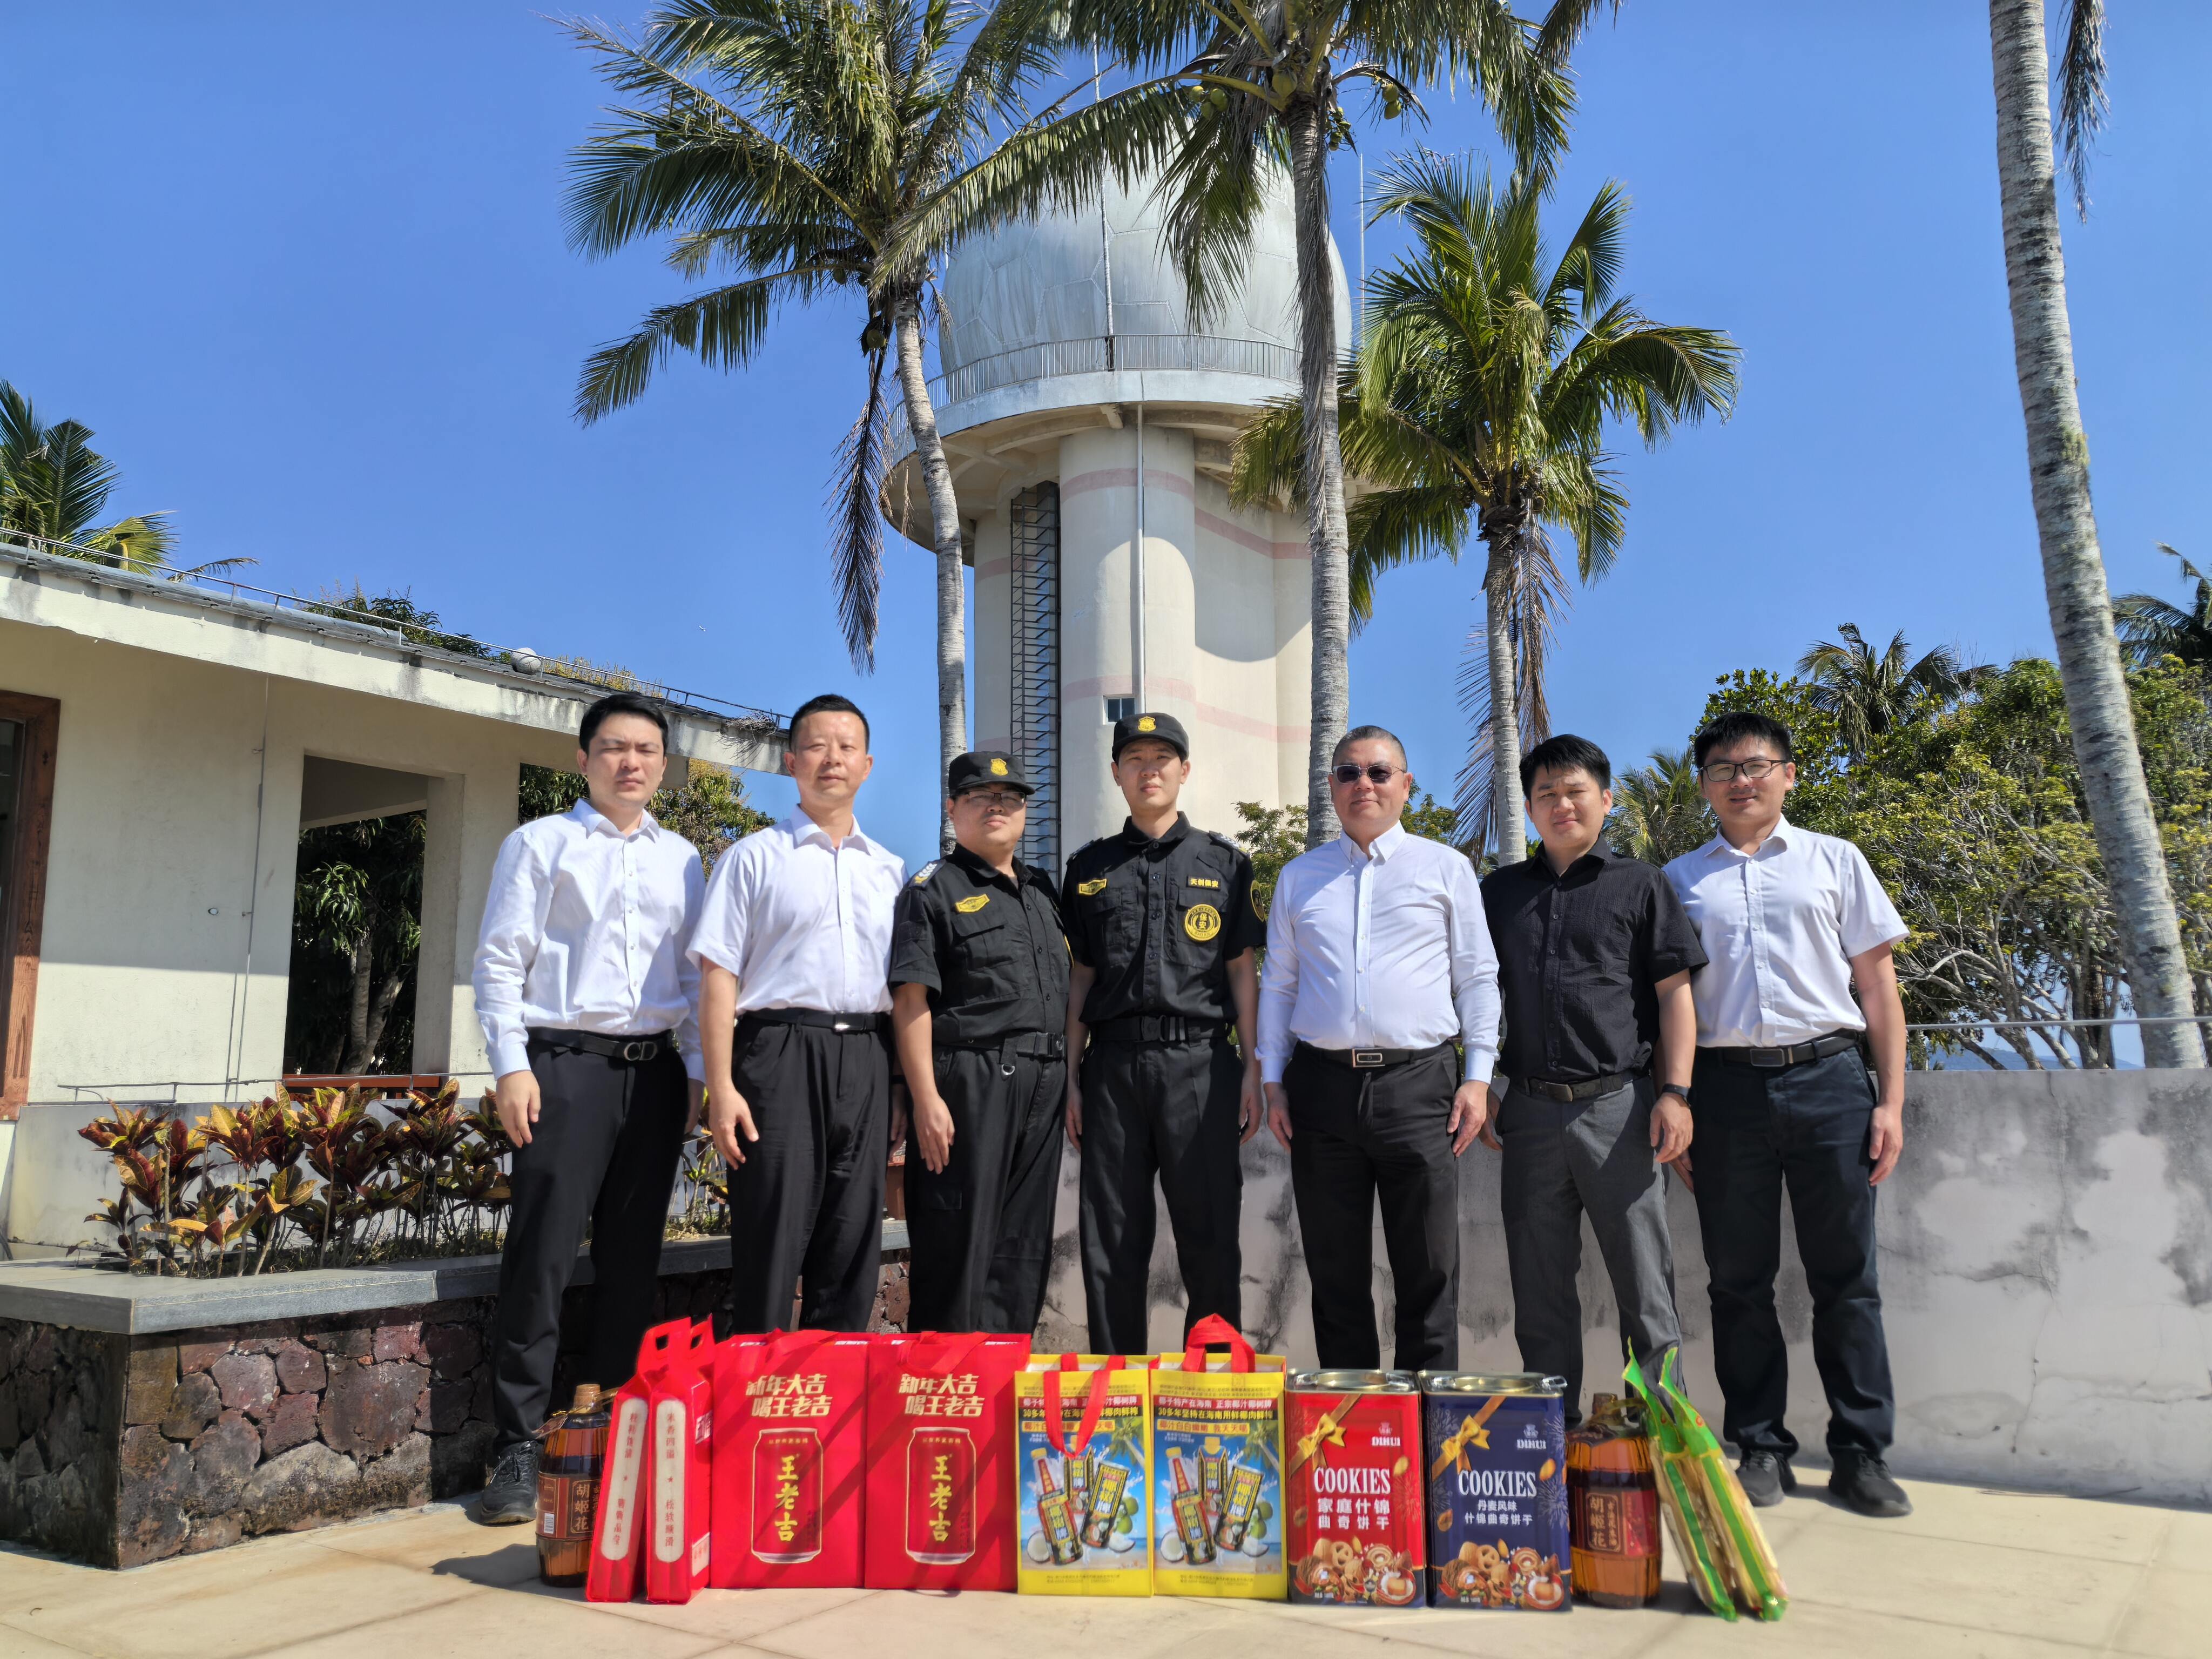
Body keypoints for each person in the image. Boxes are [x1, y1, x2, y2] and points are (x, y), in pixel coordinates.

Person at [1664, 710, 1912, 1519]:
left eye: (1756, 765)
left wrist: (1890, 1102)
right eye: (1723, 769)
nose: (1741, 781)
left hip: (1831, 1082)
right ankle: (1760, 1446)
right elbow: (1667, 1005)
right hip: (1724, 1093)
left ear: (1788, 775)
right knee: (1738, 1283)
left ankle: (1861, 1454)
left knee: (1848, 1278)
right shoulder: (1677, 881)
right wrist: (1680, 1102)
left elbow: (1877, 988)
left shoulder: (1835, 861)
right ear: (1704, 785)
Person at [470, 691, 705, 1522]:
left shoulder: (684, 859)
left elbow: (693, 977)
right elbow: (500, 961)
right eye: (613, 747)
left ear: (663, 766)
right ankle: (517, 1445)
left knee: (632, 1260)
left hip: (655, 1074)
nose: (629, 762)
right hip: (563, 1068)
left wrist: (697, 1075)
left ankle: (606, 1431)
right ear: (583, 759)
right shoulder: (541, 843)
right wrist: (511, 1066)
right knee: (542, 1256)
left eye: (645, 750)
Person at [1257, 726, 1500, 1372]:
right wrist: (1272, 1080)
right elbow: (1278, 985)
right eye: (1348, 773)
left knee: (1429, 1274)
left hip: (1419, 1088)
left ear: (1406, 785)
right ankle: (1354, 1423)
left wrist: (1477, 1078)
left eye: (1378, 772)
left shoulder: (1445, 868)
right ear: (1331, 785)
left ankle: (1426, 1422)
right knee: (1334, 1277)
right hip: (1320, 1090)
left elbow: (1477, 977)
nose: (1363, 784)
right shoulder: (1299, 878)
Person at [1479, 734, 1706, 1421]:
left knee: (1646, 1290)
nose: (1561, 804)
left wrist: (1675, 1094)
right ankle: (1551, 1436)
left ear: (1605, 800)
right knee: (1540, 1295)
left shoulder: (1640, 884)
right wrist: (1479, 1082)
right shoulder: (1498, 893)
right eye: (1545, 793)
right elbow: (1470, 992)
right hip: (1527, 1113)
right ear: (1528, 808)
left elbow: (1674, 995)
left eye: (1575, 790)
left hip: (1621, 1110)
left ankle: (1662, 1438)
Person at [690, 693, 906, 1333]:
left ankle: (833, 1386)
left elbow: (902, 989)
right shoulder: (752, 858)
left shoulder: (891, 871)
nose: (831, 759)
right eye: (816, 746)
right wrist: (721, 1085)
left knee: (852, 1238)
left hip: (867, 1055)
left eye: (846, 748)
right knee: (771, 1233)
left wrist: (897, 1084)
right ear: (791, 762)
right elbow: (717, 978)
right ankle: (760, 1384)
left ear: (867, 765)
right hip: (776, 1054)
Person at [1063, 712, 1265, 1354]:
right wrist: (1070, 1078)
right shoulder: (1087, 868)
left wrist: (1254, 1068)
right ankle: (1116, 1388)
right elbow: (1079, 977)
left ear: (1184, 770)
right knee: (1112, 1239)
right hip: (1112, 1068)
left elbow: (1241, 970)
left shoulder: (1225, 863)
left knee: (1210, 1236)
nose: (1148, 770)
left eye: (1161, 759)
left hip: (1199, 1064)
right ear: (1116, 773)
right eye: (1135, 759)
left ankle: (1210, 1388)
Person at [889, 752, 1070, 1333]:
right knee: (957, 1246)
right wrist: (925, 1099)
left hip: (1044, 1083)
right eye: (979, 797)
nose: (997, 807)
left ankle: (1000, 1375)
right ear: (952, 809)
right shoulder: (933, 890)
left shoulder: (1043, 892)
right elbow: (911, 1002)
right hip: (970, 1083)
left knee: (1021, 1251)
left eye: (1009, 798)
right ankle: (944, 1381)